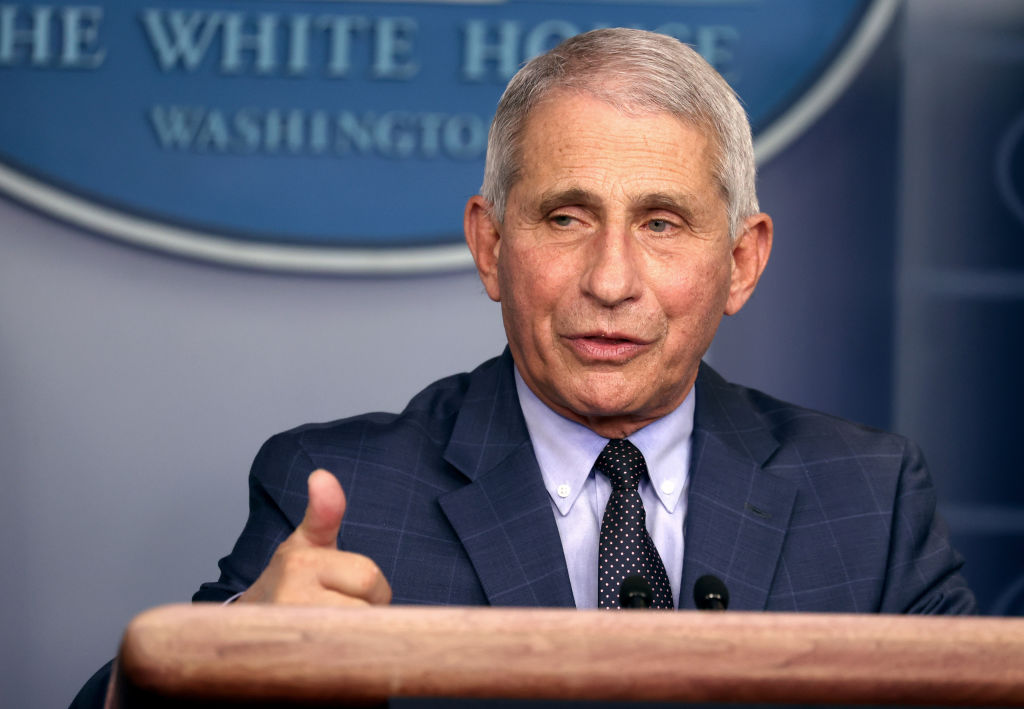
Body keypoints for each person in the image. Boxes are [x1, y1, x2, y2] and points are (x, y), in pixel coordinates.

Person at [71, 26, 974, 707]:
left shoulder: (869, 498)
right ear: (491, 246)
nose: (611, 281)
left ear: (741, 262)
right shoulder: (345, 497)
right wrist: (226, 655)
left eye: (661, 223)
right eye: (566, 218)